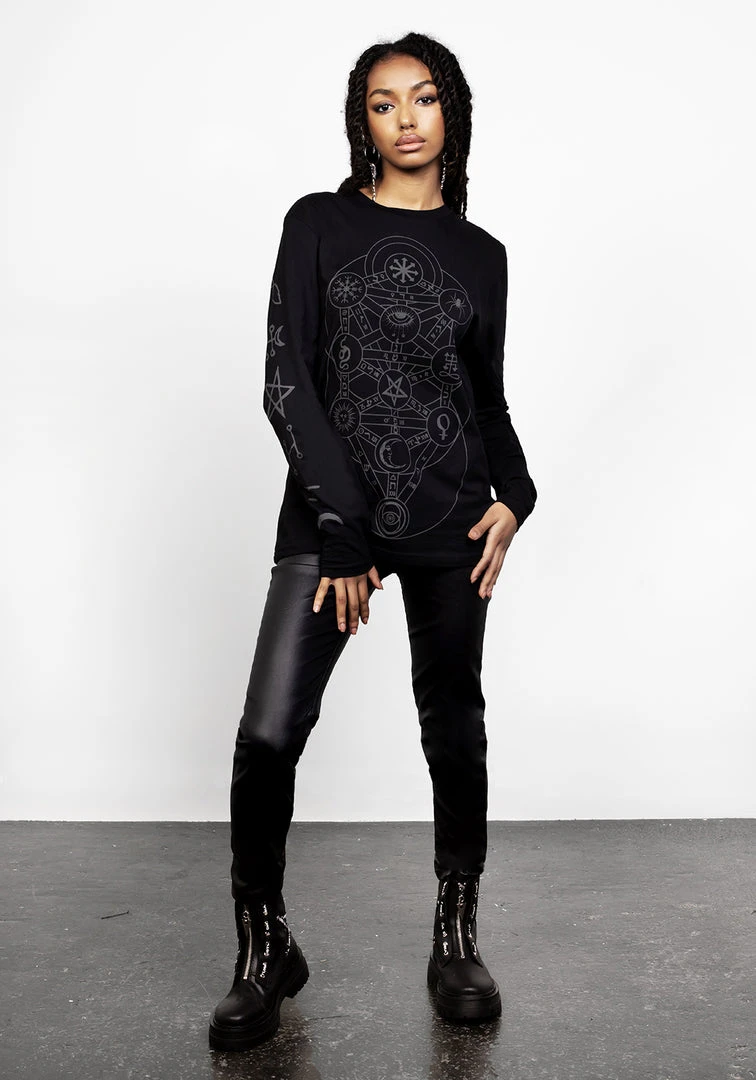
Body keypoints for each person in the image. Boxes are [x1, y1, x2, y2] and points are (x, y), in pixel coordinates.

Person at [208, 31, 538, 1052]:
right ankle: (263, 947)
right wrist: (343, 529)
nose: (405, 119)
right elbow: (286, 382)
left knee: (454, 729)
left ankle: (456, 937)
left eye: (423, 98)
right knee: (269, 733)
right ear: (363, 121)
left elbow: (485, 400)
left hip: (450, 515)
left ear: (452, 113)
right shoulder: (317, 223)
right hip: (330, 519)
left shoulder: (483, 256)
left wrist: (520, 495)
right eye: (383, 103)